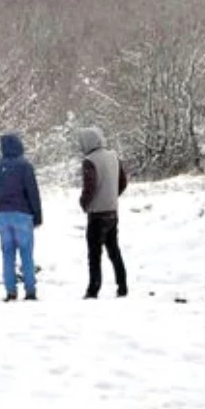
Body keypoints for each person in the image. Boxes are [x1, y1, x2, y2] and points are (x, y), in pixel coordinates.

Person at [0, 132, 43, 301]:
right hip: (23, 215)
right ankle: (30, 290)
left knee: (7, 255)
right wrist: (37, 216)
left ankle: (10, 291)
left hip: (2, 215)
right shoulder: (25, 167)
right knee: (26, 254)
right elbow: (32, 193)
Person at [77, 126, 128, 299]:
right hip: (112, 211)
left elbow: (89, 187)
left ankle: (93, 289)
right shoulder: (114, 156)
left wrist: (84, 203)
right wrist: (112, 196)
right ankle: (122, 286)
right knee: (114, 250)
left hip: (97, 213)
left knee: (94, 254)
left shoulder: (89, 161)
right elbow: (123, 182)